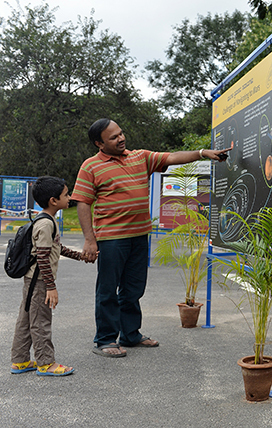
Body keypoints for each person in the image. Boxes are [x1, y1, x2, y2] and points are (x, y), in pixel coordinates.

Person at [72, 118, 230, 357]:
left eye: (121, 132)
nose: (121, 138)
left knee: (133, 288)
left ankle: (130, 334)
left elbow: (172, 157)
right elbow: (83, 202)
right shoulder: (90, 166)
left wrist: (202, 153)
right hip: (111, 238)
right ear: (99, 143)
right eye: (113, 137)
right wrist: (89, 240)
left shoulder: (140, 157)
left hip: (139, 236)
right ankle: (105, 340)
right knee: (107, 290)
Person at [11, 176, 86, 376]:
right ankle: (46, 363)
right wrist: (51, 287)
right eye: (66, 194)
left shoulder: (46, 220)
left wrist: (80, 257)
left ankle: (20, 361)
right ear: (53, 200)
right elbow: (43, 257)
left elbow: (55, 248)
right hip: (39, 282)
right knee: (41, 322)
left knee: (26, 319)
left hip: (34, 280)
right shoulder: (45, 224)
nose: (69, 197)